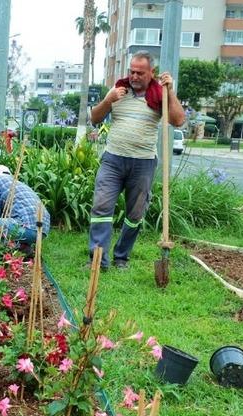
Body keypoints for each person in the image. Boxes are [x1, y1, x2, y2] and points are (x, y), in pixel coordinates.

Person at [88, 51, 185, 269]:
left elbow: (178, 120)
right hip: (113, 159)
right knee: (101, 207)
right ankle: (97, 259)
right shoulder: (118, 91)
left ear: (152, 73)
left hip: (143, 162)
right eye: (131, 71)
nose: (134, 76)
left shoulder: (159, 94)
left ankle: (121, 257)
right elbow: (94, 118)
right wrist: (108, 99)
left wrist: (170, 91)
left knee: (135, 214)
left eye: (140, 72)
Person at [0, 165, 50, 247]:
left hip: (26, 226)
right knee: (5, 229)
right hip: (42, 231)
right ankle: (21, 248)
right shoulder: (18, 183)